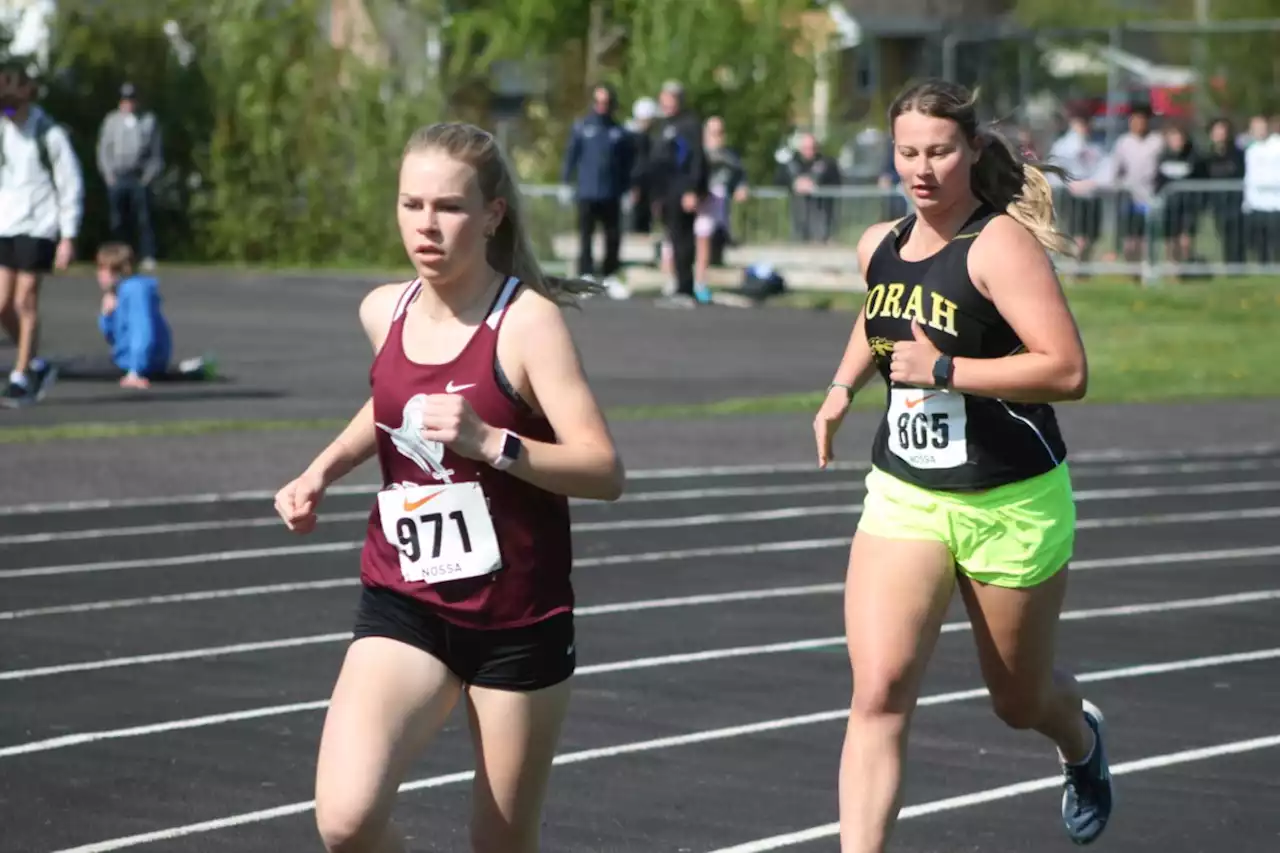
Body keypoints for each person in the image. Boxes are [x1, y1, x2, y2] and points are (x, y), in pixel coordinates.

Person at [273, 121, 625, 853]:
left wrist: (491, 443)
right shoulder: (384, 310)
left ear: (493, 213)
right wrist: (322, 469)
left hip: (516, 618)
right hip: (407, 599)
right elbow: (391, 401)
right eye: (411, 205)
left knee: (501, 842)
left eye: (449, 207)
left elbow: (602, 469)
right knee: (345, 818)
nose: (426, 225)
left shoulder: (528, 325)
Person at [812, 78, 1112, 852]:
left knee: (1018, 699)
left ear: (973, 151)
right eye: (907, 151)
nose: (922, 168)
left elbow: (1067, 370)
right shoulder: (876, 242)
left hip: (1009, 500)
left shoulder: (997, 246)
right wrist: (845, 386)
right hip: (906, 495)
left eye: (939, 151)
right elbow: (883, 310)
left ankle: (1079, 738)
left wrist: (946, 372)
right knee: (877, 691)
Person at [0, 58, 83, 406]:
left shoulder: (51, 134)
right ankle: (34, 362)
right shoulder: (3, 130)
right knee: (2, 306)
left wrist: (68, 235)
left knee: (25, 301)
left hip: (41, 225)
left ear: (26, 100)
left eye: (10, 105)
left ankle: (21, 378)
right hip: (7, 223)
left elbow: (70, 183)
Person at [95, 241, 173, 388]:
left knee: (60, 368)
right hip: (127, 359)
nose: (98, 275)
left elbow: (142, 330)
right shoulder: (121, 292)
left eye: (101, 269)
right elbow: (113, 337)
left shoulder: (135, 291)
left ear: (114, 270)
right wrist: (107, 316)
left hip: (137, 364)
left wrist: (135, 372)